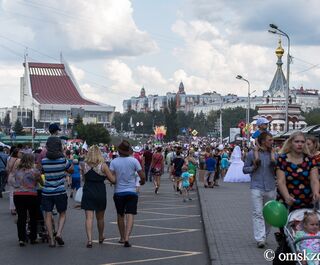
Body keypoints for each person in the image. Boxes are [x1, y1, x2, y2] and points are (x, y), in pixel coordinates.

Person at [243, 132, 277, 248]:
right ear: (263, 141)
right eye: (270, 140)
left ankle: (265, 235)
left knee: (269, 214)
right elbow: (245, 169)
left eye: (272, 140)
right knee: (258, 213)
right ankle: (260, 238)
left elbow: (278, 171)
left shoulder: (274, 155)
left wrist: (274, 162)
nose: (272, 142)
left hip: (271, 187)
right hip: (256, 187)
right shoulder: (252, 154)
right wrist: (253, 167)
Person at [109, 140, 145, 247]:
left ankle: (121, 237)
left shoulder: (114, 162)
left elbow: (111, 177)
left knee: (120, 215)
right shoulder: (134, 161)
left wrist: (114, 181)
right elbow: (142, 175)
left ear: (119, 151)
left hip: (119, 192)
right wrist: (142, 181)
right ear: (128, 151)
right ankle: (127, 238)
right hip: (131, 192)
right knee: (130, 215)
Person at [81, 146, 115, 248]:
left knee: (89, 218)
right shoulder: (103, 166)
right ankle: (100, 236)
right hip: (100, 192)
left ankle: (90, 240)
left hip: (88, 192)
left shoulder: (84, 165)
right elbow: (112, 180)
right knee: (100, 218)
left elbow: (84, 179)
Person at [276, 131, 320, 211]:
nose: (300, 144)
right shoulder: (282, 159)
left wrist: (316, 192)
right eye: (297, 141)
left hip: (307, 202)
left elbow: (314, 180)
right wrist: (287, 197)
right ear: (290, 143)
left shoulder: (311, 160)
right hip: (287, 201)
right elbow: (280, 181)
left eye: (302, 142)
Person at [41, 144, 74, 247]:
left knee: (48, 214)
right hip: (60, 191)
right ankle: (59, 233)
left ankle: (51, 239)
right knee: (62, 213)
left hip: (47, 191)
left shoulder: (44, 161)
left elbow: (39, 171)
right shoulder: (62, 160)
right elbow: (71, 170)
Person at [8, 153, 42, 246]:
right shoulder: (35, 171)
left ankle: (21, 239)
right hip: (31, 195)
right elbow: (41, 182)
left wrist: (17, 186)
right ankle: (33, 238)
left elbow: (10, 181)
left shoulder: (16, 171)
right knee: (33, 217)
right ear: (31, 160)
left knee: (21, 217)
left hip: (18, 195)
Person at [6, 146, 21, 215]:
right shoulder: (19, 160)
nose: (20, 153)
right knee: (18, 193)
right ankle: (16, 208)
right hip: (16, 177)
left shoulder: (9, 159)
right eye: (19, 152)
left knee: (11, 194)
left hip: (10, 176)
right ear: (17, 153)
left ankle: (12, 209)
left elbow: (7, 169)